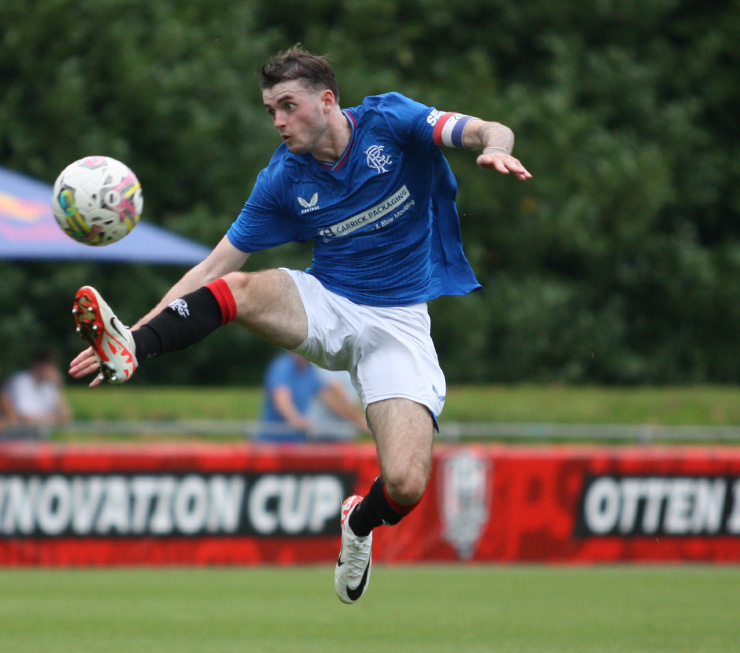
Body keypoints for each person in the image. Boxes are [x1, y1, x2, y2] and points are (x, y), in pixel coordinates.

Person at [69, 45, 530, 603]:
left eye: (288, 106)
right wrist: (133, 338)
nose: (279, 122)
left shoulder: (392, 121)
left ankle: (358, 524)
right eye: (271, 111)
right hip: (327, 301)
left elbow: (486, 129)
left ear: (328, 100)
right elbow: (213, 267)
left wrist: (496, 151)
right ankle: (137, 349)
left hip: (398, 323)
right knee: (236, 289)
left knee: (406, 485)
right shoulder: (283, 179)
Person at [3, 349, 71, 439]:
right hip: (15, 439)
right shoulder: (21, 381)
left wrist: (58, 388)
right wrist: (53, 420)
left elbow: (65, 419)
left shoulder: (50, 387)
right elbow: (23, 418)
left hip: (38, 441)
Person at [257, 352, 323, 442]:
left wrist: (349, 416)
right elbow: (281, 400)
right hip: (272, 443)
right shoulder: (282, 367)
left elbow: (328, 395)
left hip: (297, 442)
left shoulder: (310, 370)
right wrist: (298, 421)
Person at [307, 366, 368, 442]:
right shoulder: (325, 362)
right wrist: (361, 421)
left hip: (343, 433)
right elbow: (334, 398)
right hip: (323, 436)